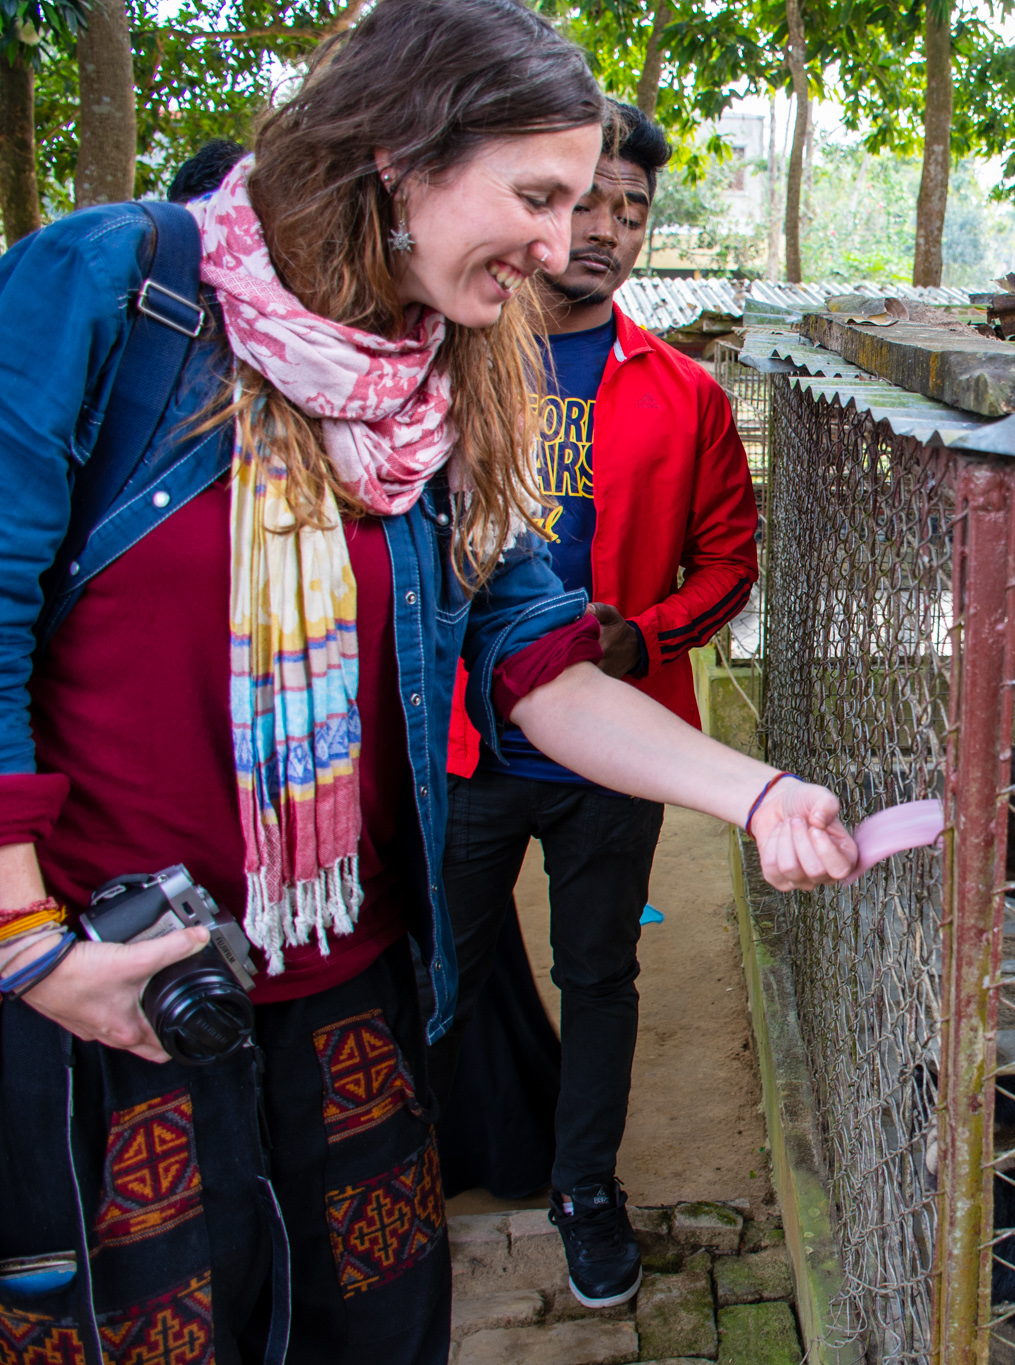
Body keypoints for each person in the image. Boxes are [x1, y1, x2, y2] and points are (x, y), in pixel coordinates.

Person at [0, 3, 855, 1361]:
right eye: (535, 195)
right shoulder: (114, 293)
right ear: (400, 152)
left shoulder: (460, 374)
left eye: (582, 203)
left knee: (378, 1324)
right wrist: (25, 943)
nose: (564, 238)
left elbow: (535, 657)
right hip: (100, 980)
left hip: (351, 974)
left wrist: (760, 798)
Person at [428, 98, 760, 1309]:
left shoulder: (683, 393)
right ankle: (424, 1164)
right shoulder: (446, 357)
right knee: (441, 967)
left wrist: (647, 633)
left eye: (632, 209)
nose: (608, 228)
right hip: (462, 743)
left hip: (617, 747)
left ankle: (583, 1190)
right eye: (586, 201)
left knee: (601, 975)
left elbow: (729, 561)